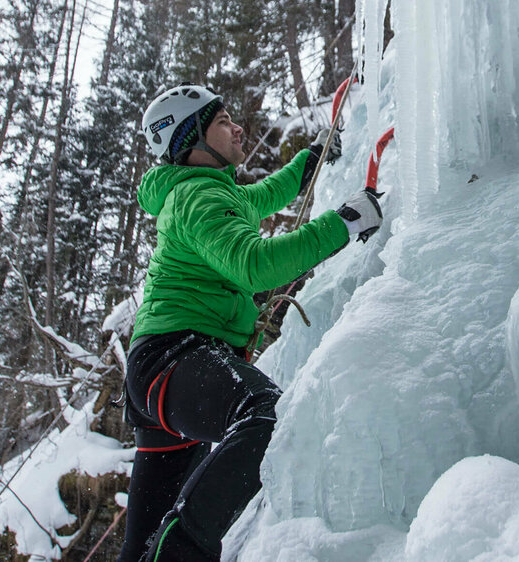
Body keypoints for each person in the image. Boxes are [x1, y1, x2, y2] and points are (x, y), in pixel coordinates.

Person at [117, 83, 383, 562]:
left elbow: (261, 196)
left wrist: (307, 164)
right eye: (222, 122)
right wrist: (342, 222)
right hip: (175, 357)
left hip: (163, 369)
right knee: (265, 415)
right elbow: (255, 265)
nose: (237, 128)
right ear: (190, 141)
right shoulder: (197, 198)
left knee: (141, 543)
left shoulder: (209, 191)